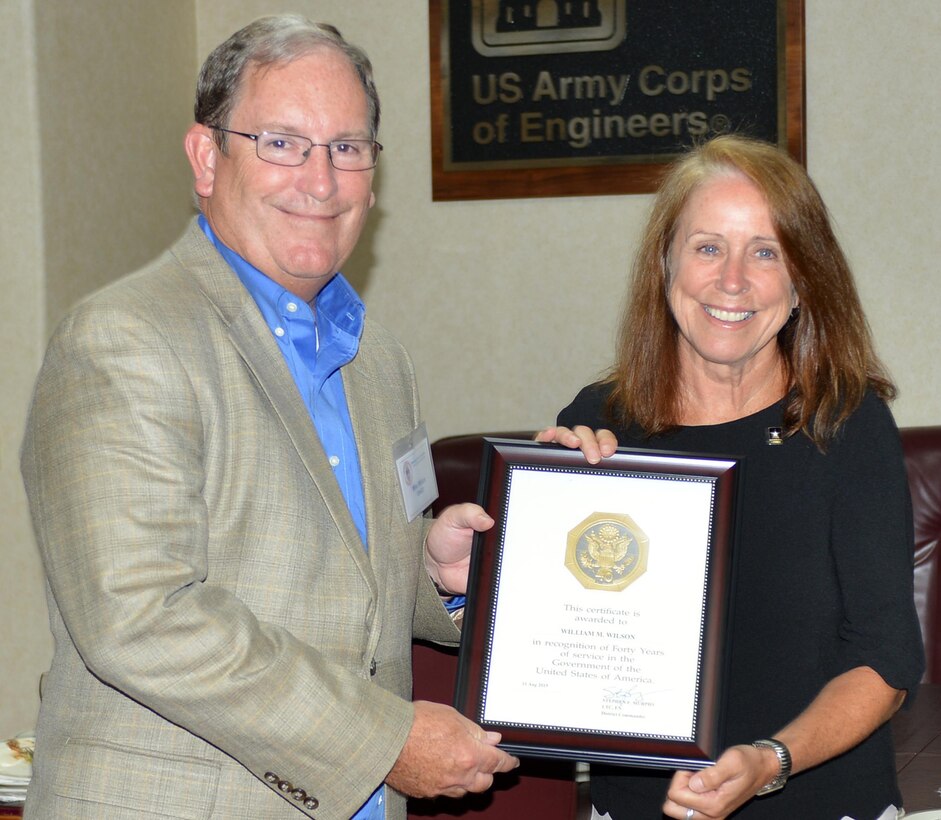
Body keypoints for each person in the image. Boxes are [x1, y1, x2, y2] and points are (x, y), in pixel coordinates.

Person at [19, 15, 517, 820]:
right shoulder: (123, 338)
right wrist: (386, 740)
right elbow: (141, 617)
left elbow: (350, 594)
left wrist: (435, 573)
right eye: (282, 142)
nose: (320, 182)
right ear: (206, 158)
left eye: (347, 148)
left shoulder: (377, 361)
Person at [538, 134, 924, 819]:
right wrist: (538, 520)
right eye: (707, 247)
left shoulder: (845, 422)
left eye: (765, 252)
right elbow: (552, 636)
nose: (733, 281)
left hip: (817, 802)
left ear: (803, 279)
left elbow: (887, 659)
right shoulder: (600, 423)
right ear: (664, 263)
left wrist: (768, 760)